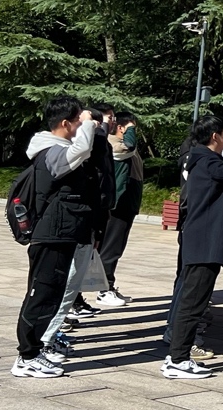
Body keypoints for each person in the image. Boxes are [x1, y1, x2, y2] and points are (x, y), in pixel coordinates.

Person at [11, 97, 98, 378]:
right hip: (52, 234)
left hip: (61, 233)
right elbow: (81, 149)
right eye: (77, 121)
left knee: (48, 294)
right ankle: (27, 357)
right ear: (65, 123)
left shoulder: (53, 149)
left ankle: (33, 352)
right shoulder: (51, 152)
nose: (81, 125)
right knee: (42, 294)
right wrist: (88, 124)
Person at [161, 116, 223, 380]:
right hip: (203, 243)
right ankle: (178, 360)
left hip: (200, 241)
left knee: (193, 302)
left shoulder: (200, 158)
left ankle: (177, 357)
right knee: (193, 303)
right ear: (215, 136)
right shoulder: (208, 160)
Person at [96, 111, 144, 307]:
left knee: (115, 248)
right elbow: (129, 146)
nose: (134, 131)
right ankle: (103, 289)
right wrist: (129, 129)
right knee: (110, 249)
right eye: (131, 127)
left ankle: (108, 285)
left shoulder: (123, 145)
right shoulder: (113, 143)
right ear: (121, 128)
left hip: (127, 205)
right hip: (117, 206)